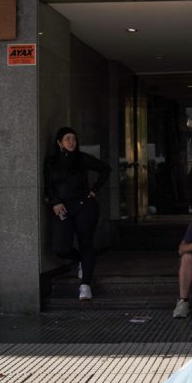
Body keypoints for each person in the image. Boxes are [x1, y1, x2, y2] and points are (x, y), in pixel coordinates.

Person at [44, 126, 111, 301]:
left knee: (86, 243)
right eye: (67, 139)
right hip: (63, 209)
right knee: (61, 247)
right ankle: (81, 259)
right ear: (59, 142)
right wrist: (55, 201)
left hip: (84, 206)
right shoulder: (51, 162)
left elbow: (106, 169)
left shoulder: (82, 159)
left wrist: (94, 190)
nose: (71, 142)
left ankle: (85, 285)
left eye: (73, 139)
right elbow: (48, 186)